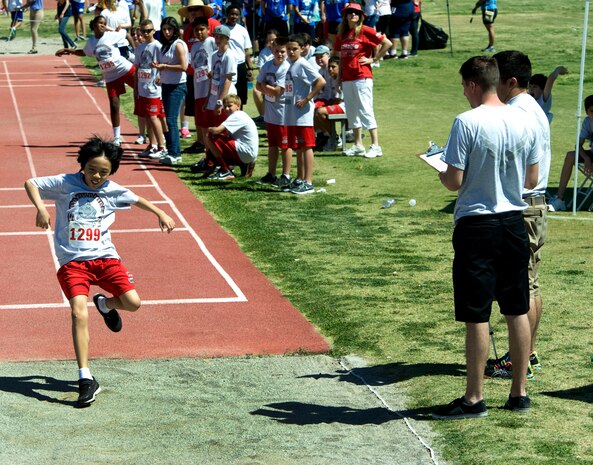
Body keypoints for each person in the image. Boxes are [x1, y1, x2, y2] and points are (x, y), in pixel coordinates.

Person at [24, 137, 175, 407]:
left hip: (106, 258)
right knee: (77, 313)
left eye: (103, 172)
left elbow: (137, 199)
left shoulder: (112, 189)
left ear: (111, 172)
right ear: (82, 165)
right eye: (92, 169)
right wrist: (40, 207)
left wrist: (160, 213)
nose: (96, 176)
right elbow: (31, 183)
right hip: (73, 262)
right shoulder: (65, 183)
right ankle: (85, 378)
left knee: (133, 303)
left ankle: (105, 304)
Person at [432, 56, 539, 420]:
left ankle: (475, 397)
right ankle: (519, 392)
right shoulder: (523, 119)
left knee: (476, 313)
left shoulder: (467, 122)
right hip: (513, 220)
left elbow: (454, 181)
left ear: (474, 84)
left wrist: (441, 172)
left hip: (477, 223)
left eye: (464, 86)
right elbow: (531, 178)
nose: (464, 93)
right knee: (516, 307)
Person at [482, 51, 552, 380]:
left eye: (496, 79)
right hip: (535, 203)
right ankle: (526, 353)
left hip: (521, 204)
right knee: (531, 284)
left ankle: (520, 358)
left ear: (511, 81)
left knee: (520, 287)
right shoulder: (533, 108)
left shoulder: (515, 112)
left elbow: (521, 167)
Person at [56, 15, 136, 146]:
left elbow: (126, 34)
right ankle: (117, 137)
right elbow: (84, 52)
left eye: (104, 23)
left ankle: (146, 132)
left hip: (125, 69)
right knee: (114, 105)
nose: (102, 25)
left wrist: (134, 51)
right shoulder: (91, 42)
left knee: (142, 96)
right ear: (94, 25)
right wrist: (67, 50)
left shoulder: (111, 35)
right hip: (110, 76)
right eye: (100, 23)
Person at [333, 2, 391, 158]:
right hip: (347, 78)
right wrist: (338, 79)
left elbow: (387, 43)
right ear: (345, 16)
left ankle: (375, 146)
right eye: (350, 12)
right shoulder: (342, 35)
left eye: (356, 13)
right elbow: (341, 59)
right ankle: (358, 145)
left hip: (362, 77)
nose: (353, 15)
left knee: (365, 110)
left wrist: (374, 59)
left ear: (360, 16)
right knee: (352, 112)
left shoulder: (365, 30)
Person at [281, 33, 326, 194]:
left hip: (302, 115)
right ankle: (299, 178)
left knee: (306, 147)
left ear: (302, 49)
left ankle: (308, 181)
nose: (291, 52)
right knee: (298, 147)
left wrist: (307, 99)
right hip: (292, 113)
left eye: (294, 49)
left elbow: (320, 81)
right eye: (289, 49)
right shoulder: (291, 65)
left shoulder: (302, 64)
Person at [255, 36, 292, 187]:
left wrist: (266, 87)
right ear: (272, 49)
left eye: (283, 51)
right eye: (277, 51)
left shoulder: (286, 67)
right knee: (272, 145)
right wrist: (266, 87)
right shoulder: (267, 65)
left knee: (285, 145)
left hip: (283, 112)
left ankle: (286, 174)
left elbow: (278, 91)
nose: (280, 54)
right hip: (270, 112)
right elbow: (257, 85)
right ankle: (271, 173)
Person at [154, 16, 189, 165]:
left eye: (170, 29)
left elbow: (183, 66)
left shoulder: (178, 45)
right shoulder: (165, 45)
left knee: (171, 120)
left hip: (177, 86)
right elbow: (165, 64)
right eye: (164, 29)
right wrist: (160, 74)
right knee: (167, 119)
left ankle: (175, 153)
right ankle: (171, 150)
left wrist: (164, 67)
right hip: (166, 85)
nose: (167, 32)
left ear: (175, 29)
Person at [548, 95, 593, 212]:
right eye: (592, 111)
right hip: (591, 155)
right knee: (570, 155)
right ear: (587, 112)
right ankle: (559, 199)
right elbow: (578, 145)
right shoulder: (588, 122)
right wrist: (587, 159)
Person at [135, 18, 169, 160]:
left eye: (149, 31)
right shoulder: (139, 48)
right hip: (142, 87)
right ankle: (152, 144)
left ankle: (162, 146)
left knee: (154, 117)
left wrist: (161, 76)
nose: (146, 33)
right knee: (148, 117)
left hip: (153, 89)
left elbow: (165, 64)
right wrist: (136, 88)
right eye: (144, 31)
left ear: (154, 31)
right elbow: (137, 68)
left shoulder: (158, 46)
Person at [204, 94, 259, 180]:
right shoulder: (241, 115)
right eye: (225, 106)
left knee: (212, 136)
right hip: (249, 154)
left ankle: (225, 170)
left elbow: (216, 131)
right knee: (218, 142)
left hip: (246, 152)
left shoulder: (237, 115)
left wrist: (209, 128)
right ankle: (244, 165)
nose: (226, 109)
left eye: (229, 106)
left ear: (238, 106)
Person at [188, 16, 216, 156]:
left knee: (210, 123)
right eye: (196, 30)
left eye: (201, 29)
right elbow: (194, 66)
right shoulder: (194, 47)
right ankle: (207, 153)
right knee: (202, 123)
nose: (199, 33)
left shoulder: (211, 42)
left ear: (208, 29)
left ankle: (213, 154)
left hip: (210, 90)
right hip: (199, 90)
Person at [224, 4, 254, 107]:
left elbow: (246, 51)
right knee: (227, 94)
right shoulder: (222, 29)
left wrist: (249, 68)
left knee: (240, 96)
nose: (234, 17)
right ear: (227, 15)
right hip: (227, 66)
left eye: (236, 14)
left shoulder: (243, 30)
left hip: (240, 66)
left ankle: (239, 116)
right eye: (231, 14)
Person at [314, 55, 345, 152]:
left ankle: (334, 138)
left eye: (333, 67)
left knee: (320, 111)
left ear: (340, 67)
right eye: (329, 67)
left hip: (345, 106)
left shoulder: (343, 79)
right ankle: (324, 136)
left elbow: (338, 100)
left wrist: (325, 106)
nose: (330, 69)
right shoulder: (331, 78)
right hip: (337, 104)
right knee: (313, 109)